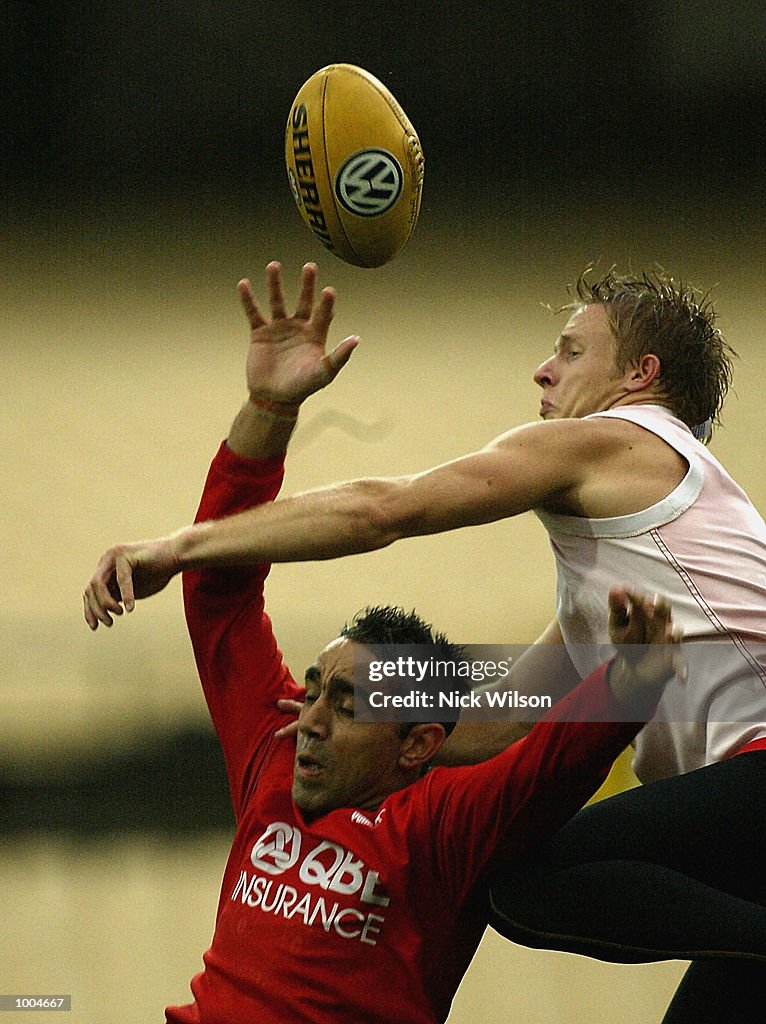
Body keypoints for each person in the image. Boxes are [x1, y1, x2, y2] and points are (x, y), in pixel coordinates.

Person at [84, 262, 766, 1022]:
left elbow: (385, 510)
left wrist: (178, 546)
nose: (543, 367)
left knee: (532, 880)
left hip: (754, 777)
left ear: (641, 377)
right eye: (323, 694)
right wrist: (268, 408)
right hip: (736, 825)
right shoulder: (612, 583)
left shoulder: (615, 439)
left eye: (572, 351)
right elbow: (488, 728)